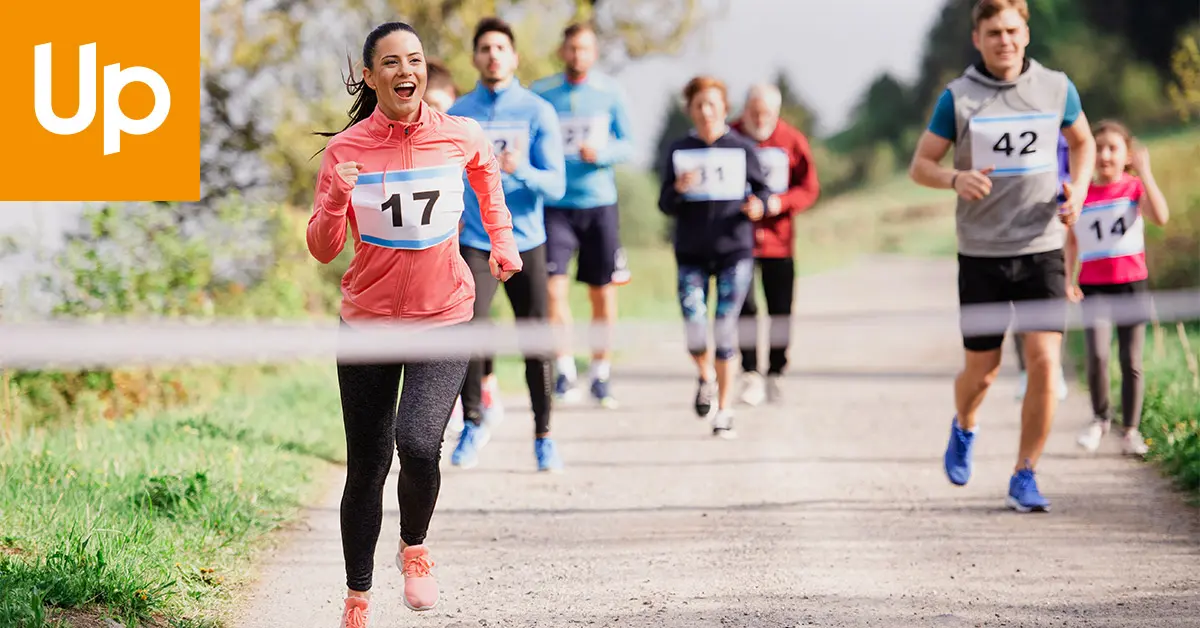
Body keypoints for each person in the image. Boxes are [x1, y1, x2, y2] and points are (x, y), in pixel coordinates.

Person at [307, 21, 521, 625]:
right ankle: (357, 596)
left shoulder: (460, 135)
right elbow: (323, 249)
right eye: (392, 63)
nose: (408, 71)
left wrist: (501, 242)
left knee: (421, 443)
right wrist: (334, 200)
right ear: (371, 78)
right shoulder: (348, 151)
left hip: (446, 316)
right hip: (367, 324)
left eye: (417, 60)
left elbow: (487, 177)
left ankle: (416, 549)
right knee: (367, 465)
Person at [908, 0, 1095, 513]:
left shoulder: (1057, 88)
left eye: (1012, 30)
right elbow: (920, 164)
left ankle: (1025, 473)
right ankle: (964, 425)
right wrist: (953, 177)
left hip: (1042, 248)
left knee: (1044, 362)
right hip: (982, 254)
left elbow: (1084, 144)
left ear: (1027, 33)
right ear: (977, 39)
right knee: (983, 372)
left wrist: (1078, 188)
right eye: (993, 33)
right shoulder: (958, 98)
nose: (1004, 41)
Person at [448, 16, 566, 472]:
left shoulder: (538, 111)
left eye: (500, 48)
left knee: (535, 338)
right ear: (475, 58)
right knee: (470, 328)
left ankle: (544, 435)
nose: (492, 55)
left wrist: (520, 170)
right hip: (476, 239)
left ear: (514, 57)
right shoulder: (460, 113)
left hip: (527, 240)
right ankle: (474, 422)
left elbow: (556, 186)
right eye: (484, 48)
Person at [658, 75, 771, 439]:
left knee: (724, 330)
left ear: (724, 107)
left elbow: (765, 192)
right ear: (690, 110)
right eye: (698, 105)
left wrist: (760, 205)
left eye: (712, 104)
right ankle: (705, 375)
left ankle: (724, 410)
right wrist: (677, 189)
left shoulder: (742, 149)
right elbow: (664, 203)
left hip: (733, 253)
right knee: (694, 329)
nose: (705, 111)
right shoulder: (679, 150)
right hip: (691, 253)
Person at [531, 22, 635, 409]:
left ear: (594, 53)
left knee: (601, 293)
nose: (578, 55)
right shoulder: (542, 94)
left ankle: (601, 374)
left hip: (599, 204)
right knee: (554, 289)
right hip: (556, 205)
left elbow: (629, 143)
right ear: (563, 51)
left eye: (585, 49)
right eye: (572, 48)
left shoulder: (610, 93)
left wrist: (602, 153)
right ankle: (564, 370)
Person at [1068, 120, 1169, 456]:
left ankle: (1131, 430)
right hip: (1093, 286)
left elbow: (1161, 217)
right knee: (1096, 355)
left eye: (1113, 147)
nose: (1104, 154)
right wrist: (1069, 277)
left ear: (1127, 154)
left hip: (1131, 285)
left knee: (1131, 359)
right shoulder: (1082, 192)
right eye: (1098, 148)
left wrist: (1146, 174)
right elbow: (1071, 238)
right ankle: (1100, 419)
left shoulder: (1134, 188)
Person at [729, 83, 821, 406]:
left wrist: (777, 204)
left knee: (780, 310)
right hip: (738, 240)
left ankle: (777, 371)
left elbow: (808, 188)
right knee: (746, 308)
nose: (759, 118)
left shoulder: (792, 140)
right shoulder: (731, 137)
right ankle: (750, 371)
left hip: (779, 242)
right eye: (753, 111)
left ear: (776, 112)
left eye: (765, 112)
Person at [1012, 131, 1071, 403]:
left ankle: (1053, 368)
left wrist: (1070, 191)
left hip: (1056, 218)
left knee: (1053, 296)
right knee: (1018, 302)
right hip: (1017, 223)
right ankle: (1026, 372)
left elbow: (1075, 167)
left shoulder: (1064, 127)